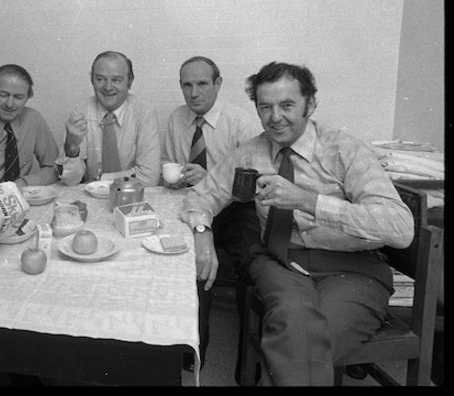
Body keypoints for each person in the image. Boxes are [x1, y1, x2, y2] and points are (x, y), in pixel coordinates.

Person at [180, 61, 414, 386]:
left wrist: (309, 201)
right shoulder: (251, 153)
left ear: (311, 104)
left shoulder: (345, 151)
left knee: (311, 340)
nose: (275, 117)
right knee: (295, 327)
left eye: (287, 105)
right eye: (265, 107)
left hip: (353, 270)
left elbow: (401, 228)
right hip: (282, 263)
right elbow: (200, 196)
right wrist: (203, 232)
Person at [162, 56, 261, 371]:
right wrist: (178, 179)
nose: (194, 93)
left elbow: (252, 185)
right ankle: (193, 353)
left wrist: (209, 180)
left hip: (236, 207)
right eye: (187, 85)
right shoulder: (177, 119)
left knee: (252, 261)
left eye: (202, 83)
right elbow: (170, 167)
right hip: (193, 205)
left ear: (218, 84)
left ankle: (250, 364)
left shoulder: (241, 123)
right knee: (186, 260)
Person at [59, 51, 160, 186]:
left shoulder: (144, 113)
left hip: (131, 196)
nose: (107, 87)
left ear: (129, 82)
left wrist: (100, 180)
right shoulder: (80, 112)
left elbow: (149, 177)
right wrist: (71, 147)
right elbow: (70, 181)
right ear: (92, 81)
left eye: (116, 80)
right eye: (100, 79)